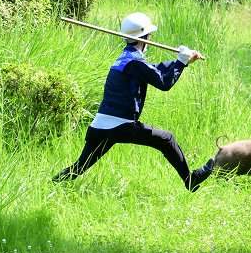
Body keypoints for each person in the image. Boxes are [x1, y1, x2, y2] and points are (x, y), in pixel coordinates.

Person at [53, 12, 215, 192]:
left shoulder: (126, 58)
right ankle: (190, 180)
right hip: (121, 126)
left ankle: (51, 184)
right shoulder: (135, 62)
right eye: (149, 35)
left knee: (78, 168)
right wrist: (180, 62)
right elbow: (164, 83)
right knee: (167, 139)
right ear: (144, 38)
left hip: (99, 128)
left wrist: (183, 61)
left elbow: (155, 70)